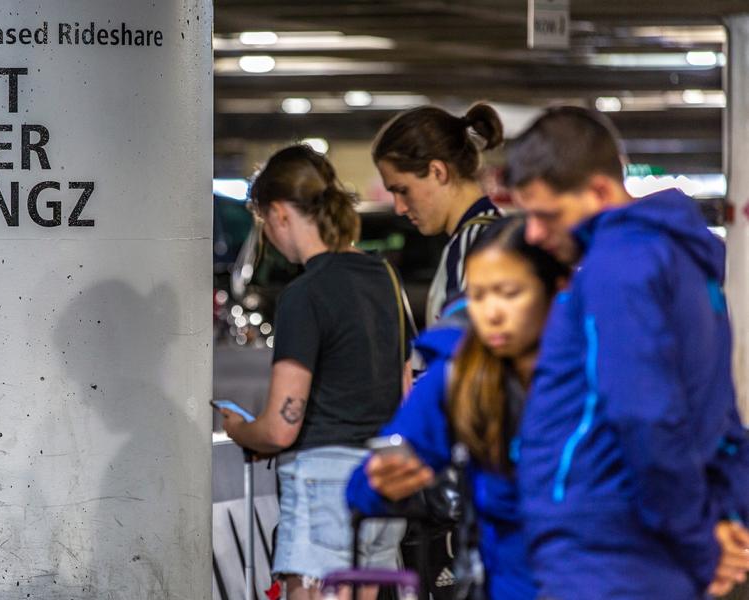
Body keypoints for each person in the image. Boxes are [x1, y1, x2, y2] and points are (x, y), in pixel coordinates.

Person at [506, 106, 749, 599]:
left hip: (607, 547)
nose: (532, 233)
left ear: (598, 192)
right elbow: (717, 411)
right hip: (643, 545)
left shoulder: (617, 264)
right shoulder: (682, 261)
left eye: (546, 214)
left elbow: (645, 413)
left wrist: (701, 542)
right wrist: (722, 518)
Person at [220, 145, 413, 600]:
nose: (268, 233)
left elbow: (282, 428)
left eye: (264, 221)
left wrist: (242, 430)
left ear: (281, 213)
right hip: (386, 478)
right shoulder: (385, 279)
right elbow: (404, 389)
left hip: (325, 485)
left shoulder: (304, 295)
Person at [346, 217, 569, 599]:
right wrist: (381, 481)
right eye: (479, 295)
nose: (492, 313)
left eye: (510, 292)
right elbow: (365, 484)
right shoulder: (459, 373)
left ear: (555, 291)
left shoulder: (598, 366)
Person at [372, 103, 504, 326]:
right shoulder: (490, 234)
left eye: (403, 190)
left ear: (437, 172)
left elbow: (464, 353)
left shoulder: (471, 246)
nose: (399, 208)